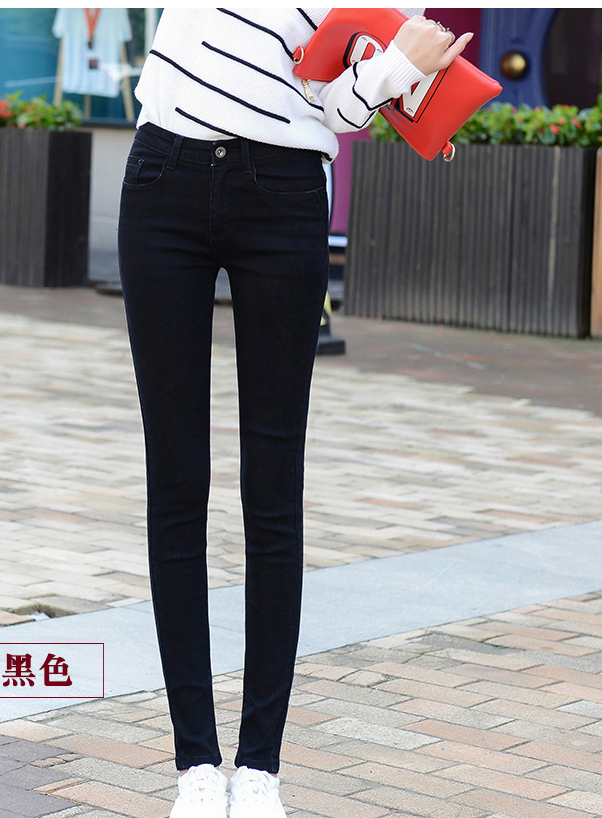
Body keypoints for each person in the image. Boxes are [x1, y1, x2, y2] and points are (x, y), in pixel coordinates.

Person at [117, 9, 471, 818]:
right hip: (164, 178)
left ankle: (260, 769)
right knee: (176, 482)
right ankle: (195, 767)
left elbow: (339, 107)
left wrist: (395, 69)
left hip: (284, 196)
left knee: (273, 489)